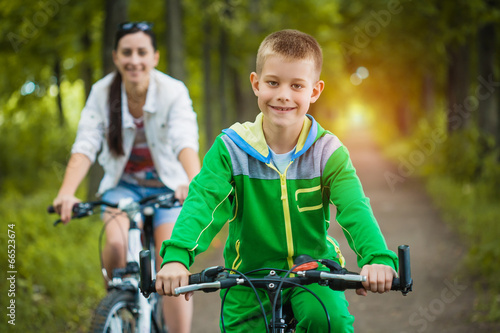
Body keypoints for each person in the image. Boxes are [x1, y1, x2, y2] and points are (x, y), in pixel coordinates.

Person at [155, 29, 398, 332]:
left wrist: (376, 258)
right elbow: (202, 202)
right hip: (247, 275)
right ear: (256, 84)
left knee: (328, 320)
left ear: (314, 91)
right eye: (273, 82)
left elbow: (354, 208)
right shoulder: (231, 147)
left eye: (297, 85)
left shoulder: (328, 151)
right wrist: (177, 258)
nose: (284, 94)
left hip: (312, 270)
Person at [52, 21, 199, 333]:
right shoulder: (102, 92)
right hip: (124, 188)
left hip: (168, 188)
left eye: (142, 52)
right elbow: (86, 143)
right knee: (116, 245)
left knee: (170, 259)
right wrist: (67, 192)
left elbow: (183, 138)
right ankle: (121, 303)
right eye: (127, 52)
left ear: (155, 57)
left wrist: (194, 182)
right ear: (116, 57)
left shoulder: (172, 91)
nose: (135, 59)